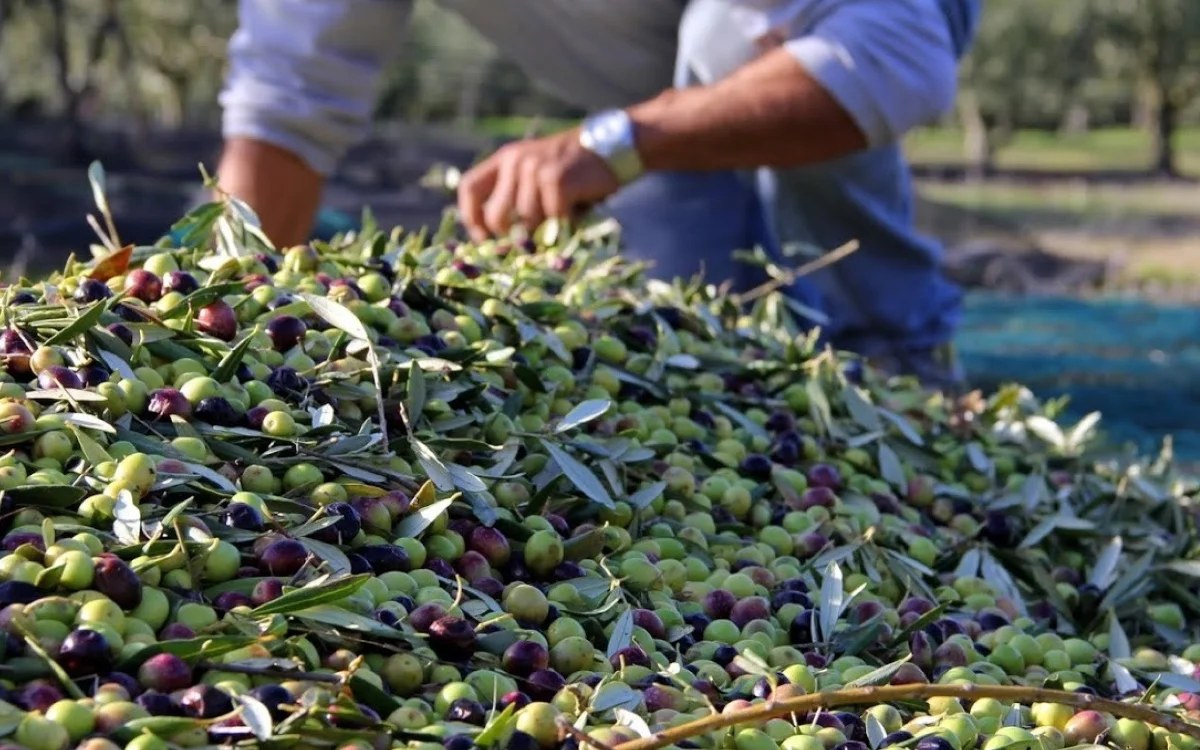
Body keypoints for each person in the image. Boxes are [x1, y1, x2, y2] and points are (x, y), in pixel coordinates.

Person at [215, 0, 981, 388]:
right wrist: (224, 321)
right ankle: (708, 371)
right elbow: (281, 114)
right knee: (685, 349)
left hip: (829, 20)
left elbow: (895, 58)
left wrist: (613, 144)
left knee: (728, 37)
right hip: (648, 71)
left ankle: (894, 356)